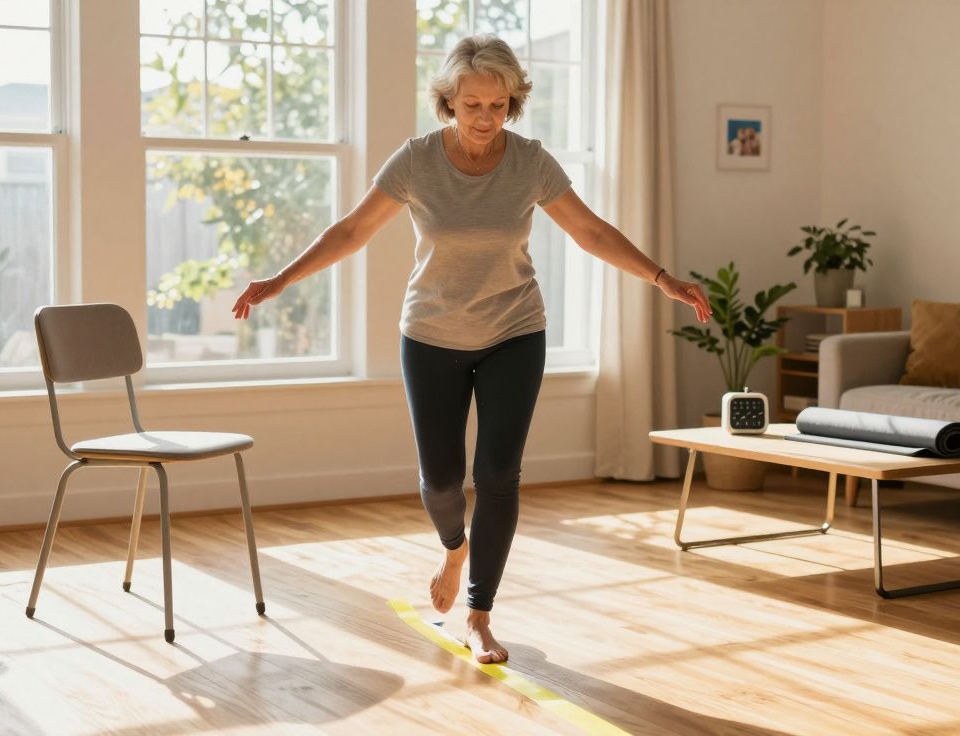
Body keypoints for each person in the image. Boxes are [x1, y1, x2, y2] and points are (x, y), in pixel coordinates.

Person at [231, 35, 712, 664]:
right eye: (472, 104)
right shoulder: (416, 161)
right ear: (448, 102)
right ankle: (454, 548)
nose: (485, 117)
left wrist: (662, 278)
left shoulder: (532, 162)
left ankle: (479, 615)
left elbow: (592, 230)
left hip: (516, 329)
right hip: (430, 333)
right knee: (441, 483)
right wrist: (279, 280)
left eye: (497, 103)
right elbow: (350, 230)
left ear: (511, 102)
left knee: (498, 476)